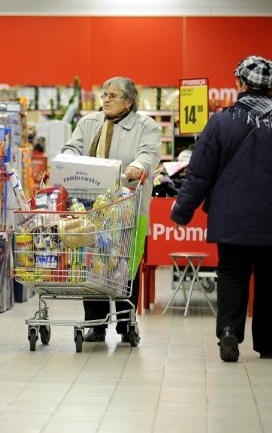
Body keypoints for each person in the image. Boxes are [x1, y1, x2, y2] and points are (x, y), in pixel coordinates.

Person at [170, 55, 272, 362]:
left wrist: (182, 212)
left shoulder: (221, 121)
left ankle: (229, 331)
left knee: (232, 274)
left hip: (232, 218)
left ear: (240, 83)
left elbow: (200, 174)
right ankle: (268, 343)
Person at [61, 76, 161, 343]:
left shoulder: (145, 126)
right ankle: (96, 323)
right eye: (104, 95)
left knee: (125, 266)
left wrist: (139, 166)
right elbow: (72, 147)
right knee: (92, 263)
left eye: (112, 96)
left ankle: (126, 324)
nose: (105, 100)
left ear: (129, 101)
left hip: (128, 208)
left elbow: (149, 154)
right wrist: (67, 158)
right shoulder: (89, 123)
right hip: (91, 208)